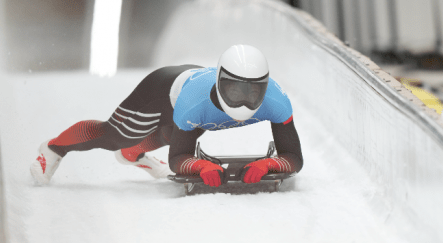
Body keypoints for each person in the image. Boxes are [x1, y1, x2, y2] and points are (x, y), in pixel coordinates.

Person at [30, 44, 303, 187]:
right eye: (234, 89)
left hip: (194, 92)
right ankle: (53, 148)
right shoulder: (193, 103)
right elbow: (178, 158)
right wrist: (198, 166)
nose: (243, 101)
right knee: (115, 135)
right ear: (221, 82)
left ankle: (132, 153)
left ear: (265, 87)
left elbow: (294, 157)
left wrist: (270, 165)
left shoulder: (277, 101)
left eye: (253, 92)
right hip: (162, 91)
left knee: (174, 133)